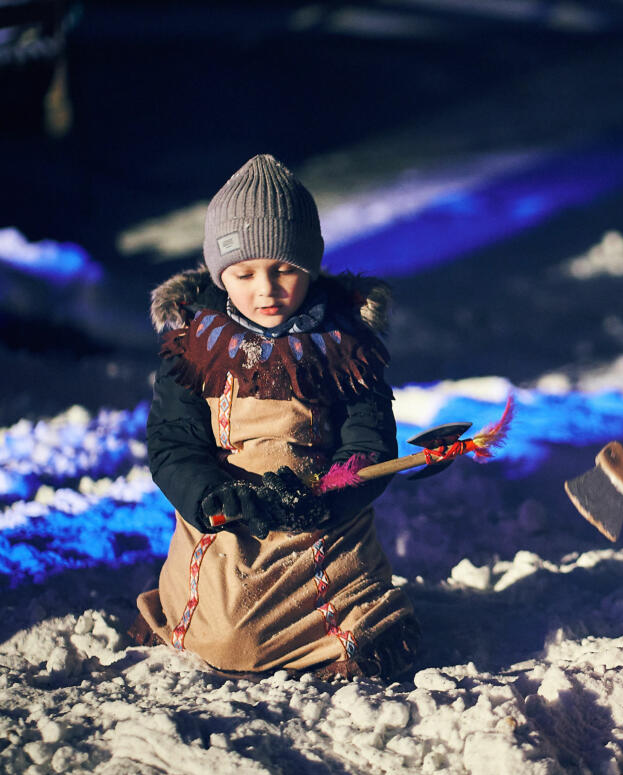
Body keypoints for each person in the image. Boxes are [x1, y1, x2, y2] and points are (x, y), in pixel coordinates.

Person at [131, 154, 418, 680]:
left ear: (310, 266)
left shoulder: (345, 344)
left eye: (285, 269)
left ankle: (361, 623)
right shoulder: (194, 346)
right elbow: (174, 442)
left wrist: (329, 493)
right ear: (220, 274)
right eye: (244, 273)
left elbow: (369, 442)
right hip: (231, 516)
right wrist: (213, 497)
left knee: (348, 617)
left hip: (321, 516)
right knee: (230, 638)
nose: (265, 288)